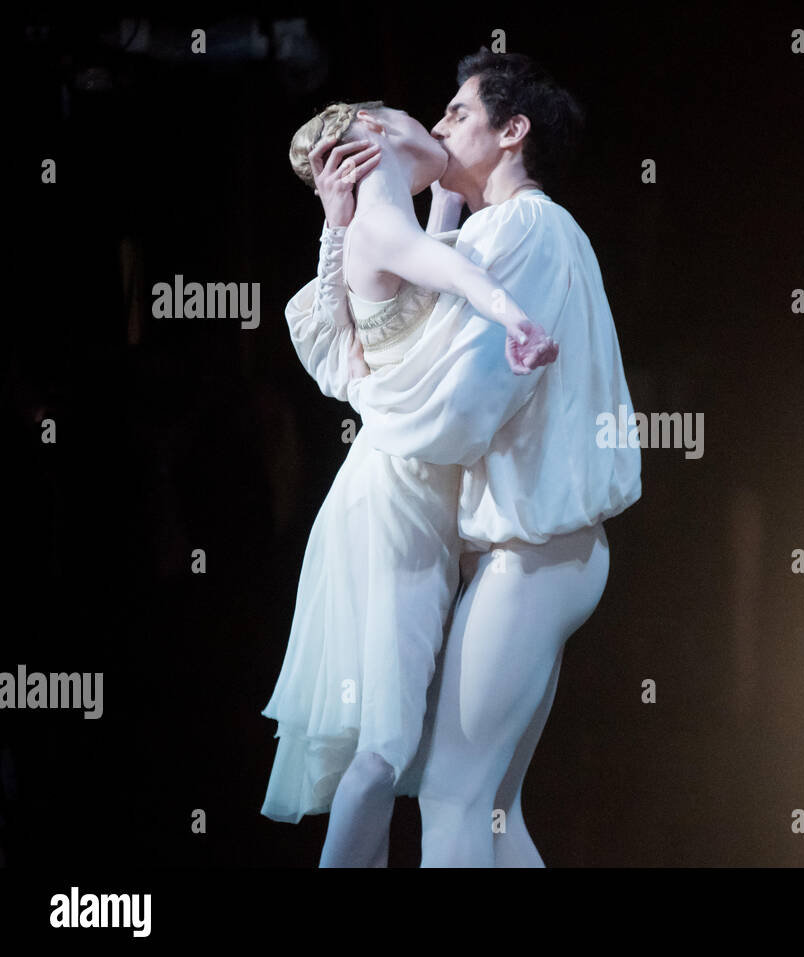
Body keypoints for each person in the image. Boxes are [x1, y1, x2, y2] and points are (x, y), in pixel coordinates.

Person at [296, 49, 641, 866]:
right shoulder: (527, 228)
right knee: (489, 808)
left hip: (533, 552)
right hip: (545, 551)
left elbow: (456, 408)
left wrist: (377, 416)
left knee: (454, 799)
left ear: (511, 131)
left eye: (458, 112)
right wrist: (343, 225)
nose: (441, 124)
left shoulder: (520, 226)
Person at [260, 99, 556, 868]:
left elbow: (435, 239)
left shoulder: (383, 225)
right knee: (387, 744)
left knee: (397, 745)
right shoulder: (381, 228)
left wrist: (431, 196)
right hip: (395, 498)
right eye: (416, 113)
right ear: (379, 131)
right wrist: (514, 316)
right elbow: (450, 268)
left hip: (403, 489)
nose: (436, 124)